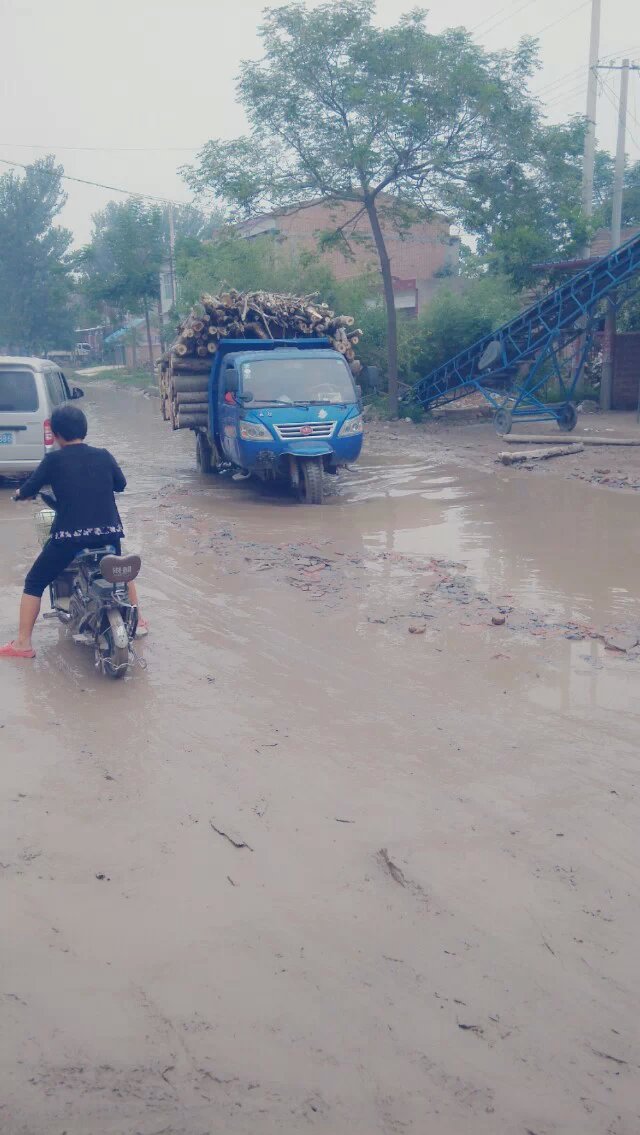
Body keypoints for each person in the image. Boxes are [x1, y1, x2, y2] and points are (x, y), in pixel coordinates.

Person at [0, 404, 147, 659]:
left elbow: (29, 488)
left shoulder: (53, 460)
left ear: (56, 435)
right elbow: (121, 485)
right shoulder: (103, 455)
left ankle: (22, 644)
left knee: (34, 581)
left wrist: (19, 495)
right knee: (121, 572)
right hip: (110, 534)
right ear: (85, 430)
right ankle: (140, 621)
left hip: (70, 539)